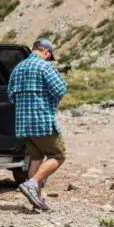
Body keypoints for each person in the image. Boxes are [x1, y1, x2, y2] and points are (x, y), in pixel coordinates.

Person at [8, 37, 68, 212]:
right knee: (58, 155)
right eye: (49, 56)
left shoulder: (18, 68)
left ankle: (37, 200)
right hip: (41, 121)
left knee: (36, 158)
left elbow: (10, 95)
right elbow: (60, 89)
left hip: (23, 125)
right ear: (47, 52)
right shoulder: (45, 66)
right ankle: (32, 184)